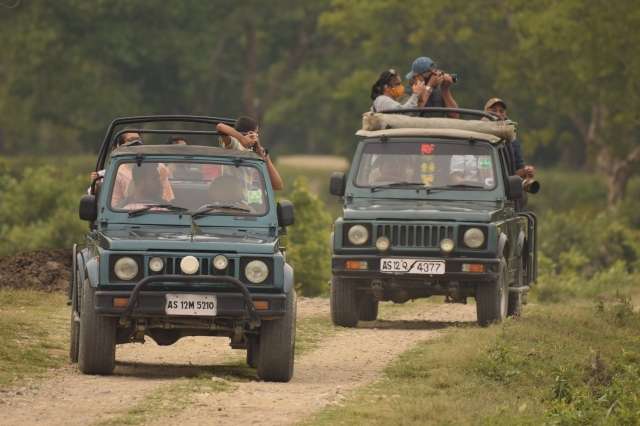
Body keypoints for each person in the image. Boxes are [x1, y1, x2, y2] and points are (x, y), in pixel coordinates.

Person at [216, 116, 284, 190]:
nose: (257, 137)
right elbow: (220, 127)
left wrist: (263, 155)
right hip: (231, 195)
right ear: (250, 134)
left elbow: (278, 186)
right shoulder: (234, 145)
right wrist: (242, 139)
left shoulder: (255, 152)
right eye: (256, 133)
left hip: (245, 198)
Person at [484, 98, 535, 179]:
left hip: (505, 186)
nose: (498, 114)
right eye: (494, 111)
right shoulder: (478, 135)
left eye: (501, 111)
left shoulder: (512, 139)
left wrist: (526, 171)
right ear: (485, 113)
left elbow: (516, 172)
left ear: (505, 115)